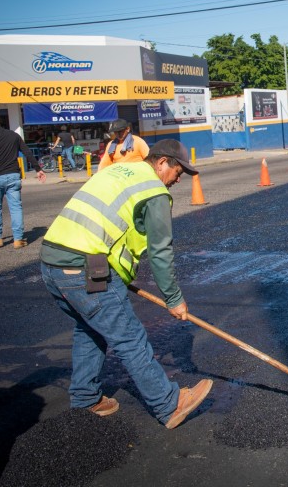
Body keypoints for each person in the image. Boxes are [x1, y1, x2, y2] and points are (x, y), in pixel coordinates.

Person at [40, 139, 213, 428]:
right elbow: (160, 251)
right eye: (178, 170)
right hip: (85, 267)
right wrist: (173, 298)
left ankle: (85, 398)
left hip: (52, 264)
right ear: (161, 163)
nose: (179, 178)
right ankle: (168, 403)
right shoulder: (154, 192)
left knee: (89, 328)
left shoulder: (117, 171)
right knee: (129, 338)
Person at [0, 126, 47, 248]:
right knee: (15, 208)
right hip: (13, 175)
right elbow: (27, 152)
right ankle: (18, 240)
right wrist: (37, 169)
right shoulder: (14, 136)